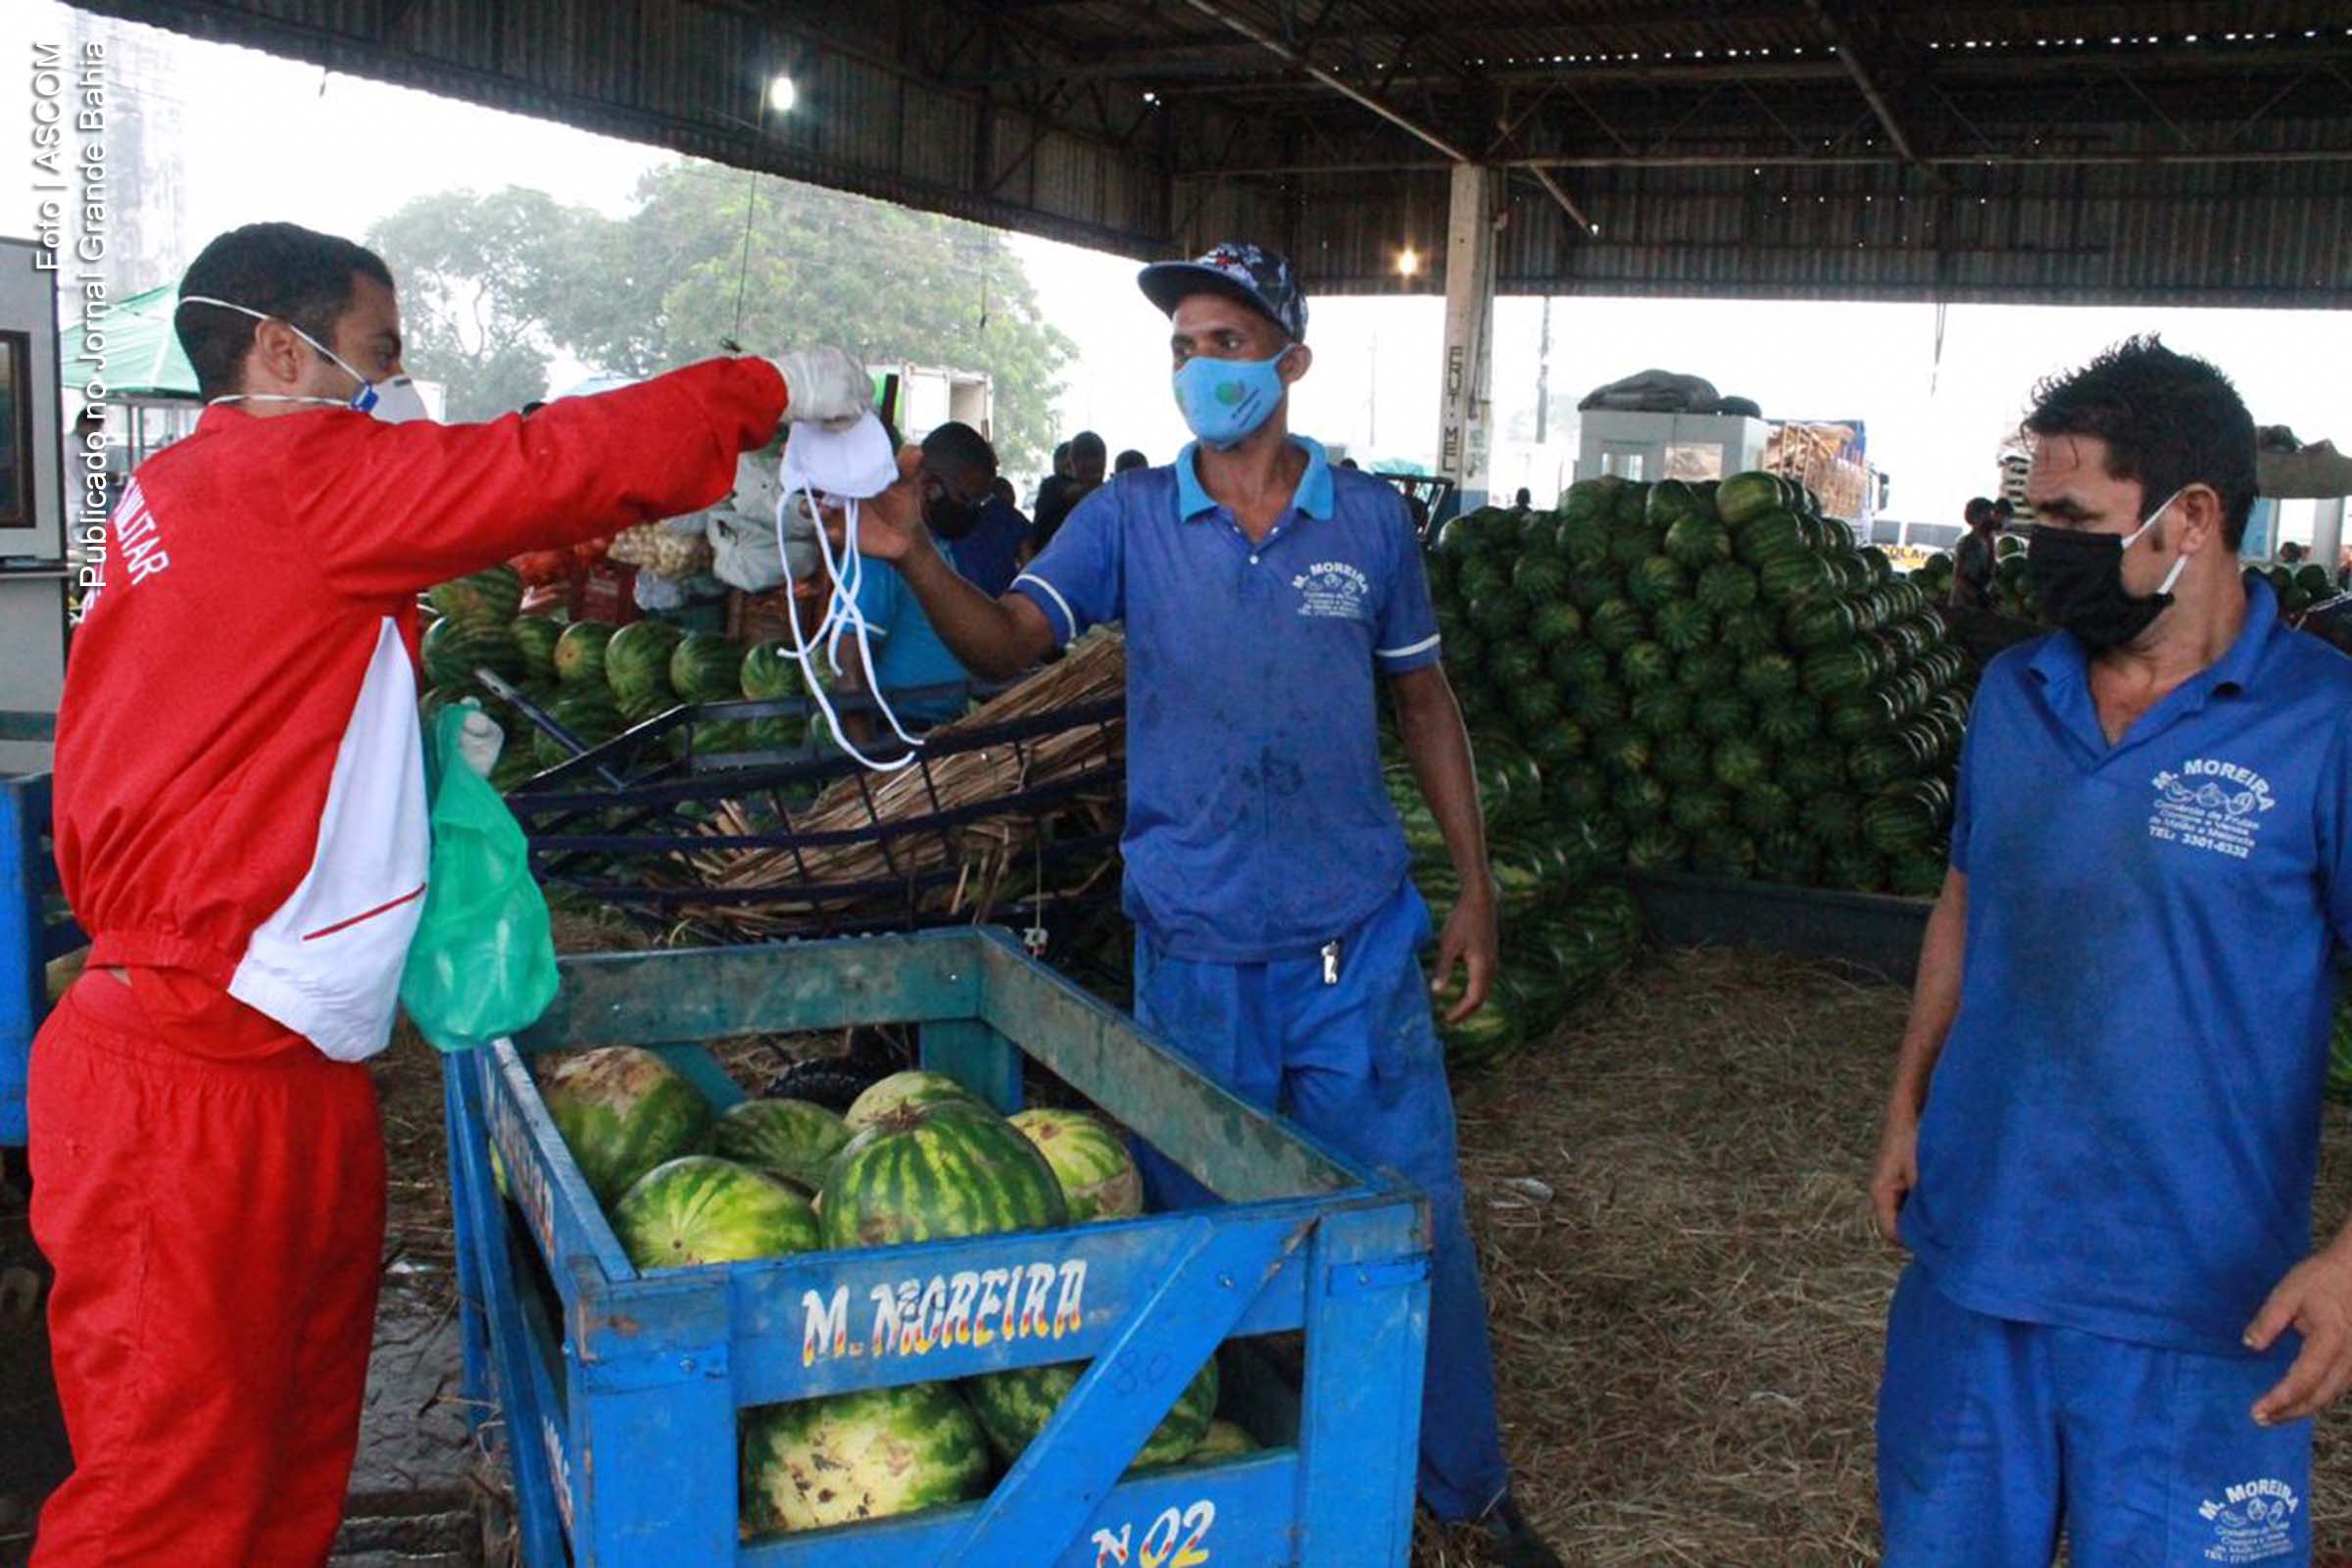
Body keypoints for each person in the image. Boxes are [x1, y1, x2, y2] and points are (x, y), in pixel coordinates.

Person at [26, 220, 866, 1567]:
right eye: (381, 356)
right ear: (281, 353)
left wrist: (402, 768)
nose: (399, 397)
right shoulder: (280, 471)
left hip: (283, 1057)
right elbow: (539, 469)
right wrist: (758, 387)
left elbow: (241, 724)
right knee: (169, 1501)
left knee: (284, 1464)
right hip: (188, 1071)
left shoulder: (206, 498)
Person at [834, 240, 1559, 1567]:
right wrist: (917, 554)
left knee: (1413, 1227)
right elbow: (1008, 645)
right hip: (1196, 954)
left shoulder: (1368, 520)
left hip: (1355, 954)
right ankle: (1231, 1494)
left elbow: (1423, 701)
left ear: (1289, 360)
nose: (1202, 368)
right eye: (1183, 347)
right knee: (1200, 1250)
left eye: (1228, 344)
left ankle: (1467, 1490)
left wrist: (1476, 886)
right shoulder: (1125, 522)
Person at [1870, 336, 2352, 1566]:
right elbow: (1966, 900)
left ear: (2193, 517)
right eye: (2038, 517)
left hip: (2201, 1308)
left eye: (2076, 518)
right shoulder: (2015, 691)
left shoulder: (2322, 724)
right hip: (1977, 1272)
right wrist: (1909, 1100)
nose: (2047, 551)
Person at [917, 419, 1025, 599]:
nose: (972, 511)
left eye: (979, 501)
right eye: (966, 499)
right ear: (930, 486)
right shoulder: (888, 547)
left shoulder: (943, 548)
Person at [1031, 428, 1105, 555]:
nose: (1091, 464)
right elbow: (1074, 493)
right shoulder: (1053, 486)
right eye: (1085, 458)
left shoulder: (1108, 494)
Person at [1949, 496, 1998, 610]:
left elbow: (1990, 572)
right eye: (1988, 515)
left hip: (1976, 605)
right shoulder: (1968, 544)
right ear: (1976, 518)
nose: (1992, 519)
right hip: (1963, 605)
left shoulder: (1989, 541)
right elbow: (1959, 577)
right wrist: (1978, 596)